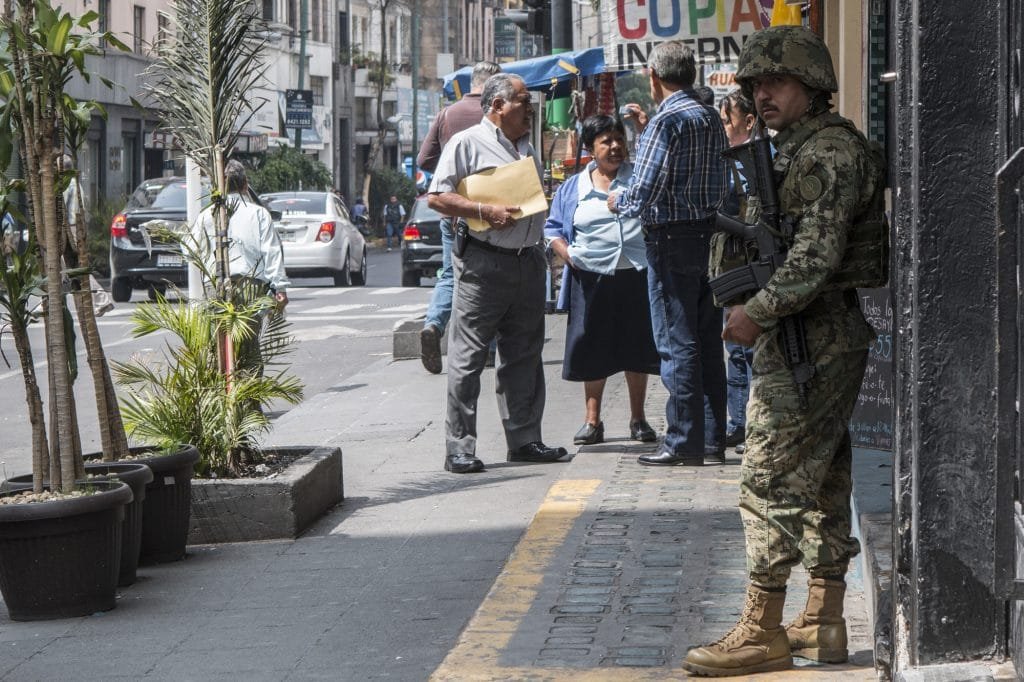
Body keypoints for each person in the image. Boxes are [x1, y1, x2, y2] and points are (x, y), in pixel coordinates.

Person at [682, 26, 886, 677]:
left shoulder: (827, 154)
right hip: (808, 334)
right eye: (755, 85)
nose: (762, 94)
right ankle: (823, 620)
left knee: (767, 477)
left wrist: (756, 311)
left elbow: (815, 256)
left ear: (812, 84)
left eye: (776, 82)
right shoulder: (791, 149)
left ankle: (761, 628)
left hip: (812, 336)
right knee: (824, 478)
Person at [427, 72, 567, 474]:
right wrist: (483, 211)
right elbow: (437, 196)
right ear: (497, 107)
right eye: (522, 101)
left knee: (524, 354)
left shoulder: (526, 145)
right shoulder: (466, 143)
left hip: (528, 261)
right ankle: (459, 448)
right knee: (468, 359)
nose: (529, 108)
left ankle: (524, 440)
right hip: (484, 264)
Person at [607, 41, 729, 467]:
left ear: (654, 77)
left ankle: (682, 441)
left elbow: (644, 191)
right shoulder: (711, 116)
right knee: (707, 341)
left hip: (671, 239)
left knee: (678, 343)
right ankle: (712, 440)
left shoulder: (666, 120)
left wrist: (616, 201)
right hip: (710, 237)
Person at [544, 115, 659, 446]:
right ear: (591, 148)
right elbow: (552, 228)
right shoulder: (573, 187)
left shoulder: (639, 179)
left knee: (638, 347)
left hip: (636, 273)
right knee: (592, 347)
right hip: (591, 277)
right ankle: (592, 421)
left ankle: (638, 419)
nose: (615, 146)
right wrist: (566, 254)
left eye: (619, 139)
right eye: (606, 141)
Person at [417, 60, 501, 375]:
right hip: (491, 210)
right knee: (491, 274)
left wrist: (451, 172)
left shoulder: (447, 114)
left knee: (450, 273)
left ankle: (434, 325)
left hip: (452, 209)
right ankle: (490, 347)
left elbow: (425, 159)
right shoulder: (495, 114)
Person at [192, 160, 289, 365]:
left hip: (216, 284)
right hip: (250, 286)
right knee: (249, 345)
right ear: (245, 184)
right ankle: (249, 393)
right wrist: (279, 287)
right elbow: (271, 252)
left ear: (217, 186)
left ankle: (222, 387)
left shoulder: (207, 215)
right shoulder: (258, 214)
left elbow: (190, 248)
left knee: (217, 346)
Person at [719, 89, 757, 452]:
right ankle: (738, 422)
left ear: (748, 122)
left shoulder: (762, 159)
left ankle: (755, 423)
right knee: (735, 346)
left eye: (727, 121)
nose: (723, 128)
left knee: (756, 349)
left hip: (757, 265)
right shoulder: (724, 161)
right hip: (732, 267)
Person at [61, 154, 114, 316]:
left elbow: (61, 210)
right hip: (76, 228)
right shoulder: (76, 184)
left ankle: (101, 298)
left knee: (71, 266)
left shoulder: (65, 185)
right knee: (70, 267)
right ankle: (48, 302)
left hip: (69, 229)